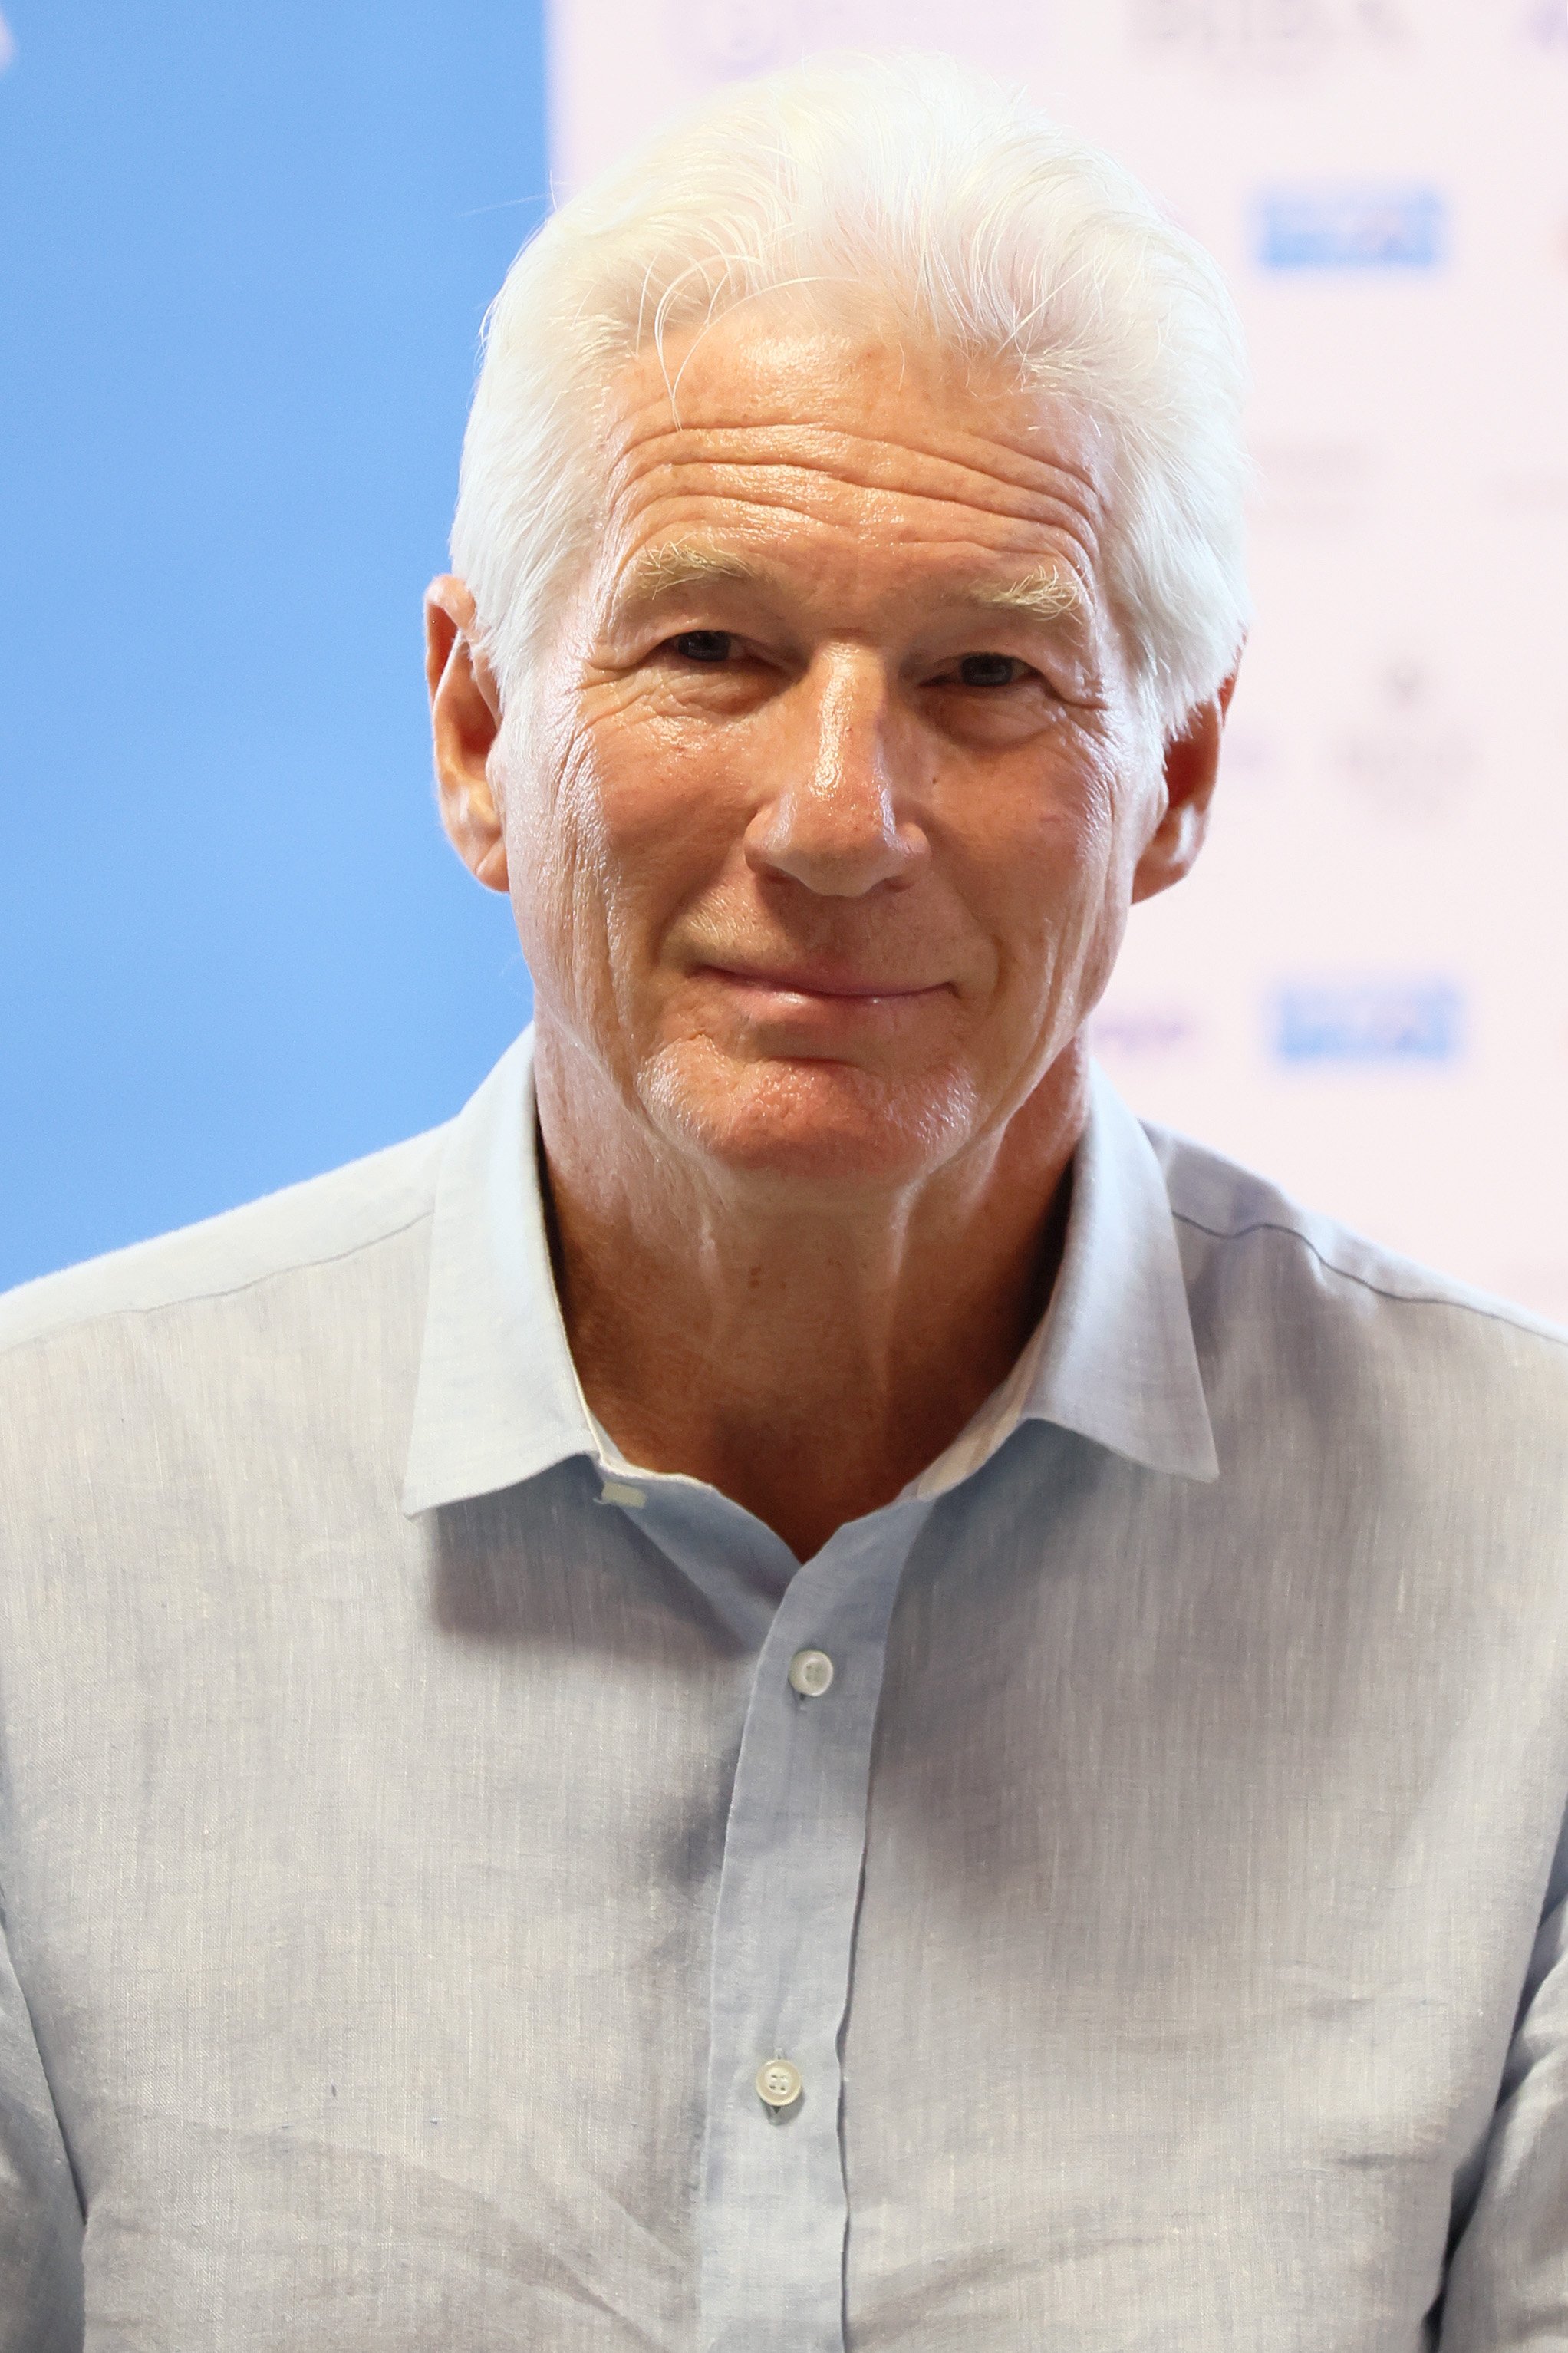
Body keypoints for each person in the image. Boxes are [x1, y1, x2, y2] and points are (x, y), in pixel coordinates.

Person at [0, 51, 1563, 2353]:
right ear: (472, 732)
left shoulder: (1528, 1567)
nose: (840, 816)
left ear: (1179, 779)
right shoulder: (41, 1529)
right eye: (711, 649)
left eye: (985, 677)